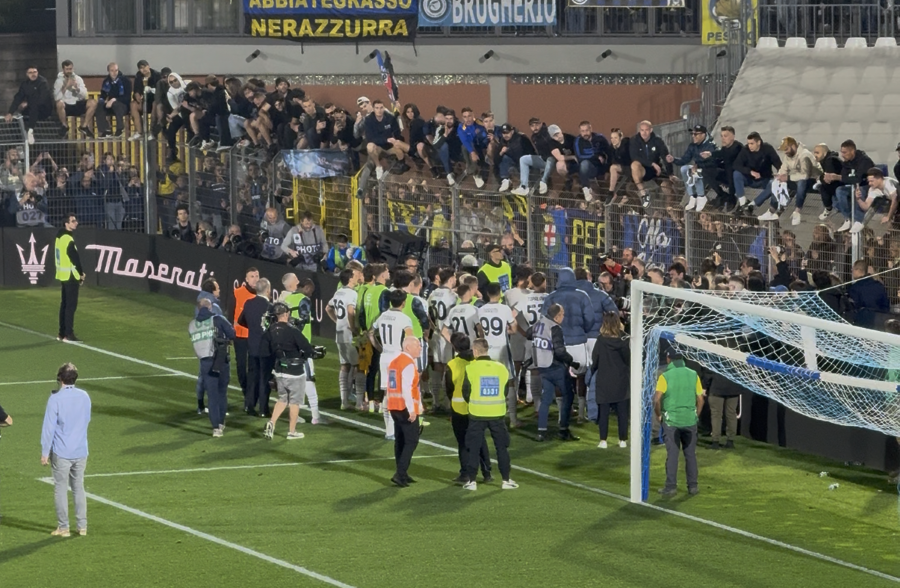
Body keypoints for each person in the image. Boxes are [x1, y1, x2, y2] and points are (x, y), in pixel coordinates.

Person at [41, 363, 92, 537]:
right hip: (81, 450)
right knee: (78, 487)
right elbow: (86, 419)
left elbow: (48, 428)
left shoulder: (55, 399)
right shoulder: (84, 396)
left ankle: (64, 527)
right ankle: (82, 526)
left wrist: (45, 452)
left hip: (62, 451)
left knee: (61, 489)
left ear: (60, 378)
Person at [461, 338, 518, 491]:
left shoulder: (470, 368)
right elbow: (505, 391)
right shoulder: (501, 368)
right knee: (501, 447)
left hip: (477, 413)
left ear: (475, 351)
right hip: (497, 414)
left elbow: (465, 392)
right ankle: (506, 480)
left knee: (473, 448)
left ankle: (472, 481)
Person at [262, 302, 318, 440]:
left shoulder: (270, 330)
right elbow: (307, 348)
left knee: (282, 399)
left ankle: (271, 422)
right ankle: (292, 432)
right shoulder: (292, 330)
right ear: (286, 314)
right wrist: (306, 354)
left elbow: (265, 350)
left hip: (279, 371)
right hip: (295, 372)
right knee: (294, 402)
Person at [654, 348, 705, 496]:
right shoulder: (693, 374)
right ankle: (693, 486)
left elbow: (656, 400)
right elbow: (700, 399)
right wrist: (695, 415)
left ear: (668, 359)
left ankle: (671, 487)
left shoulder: (665, 376)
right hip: (690, 421)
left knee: (673, 455)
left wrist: (659, 415)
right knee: (690, 455)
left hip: (672, 422)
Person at [445, 333, 492, 484]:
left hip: (459, 408)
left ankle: (465, 474)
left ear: (454, 347)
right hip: (478, 407)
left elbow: (449, 389)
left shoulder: (452, 364)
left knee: (463, 442)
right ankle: (487, 473)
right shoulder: (478, 362)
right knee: (480, 440)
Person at [531, 304, 578, 442]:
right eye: (562, 314)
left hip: (542, 366)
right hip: (554, 366)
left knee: (546, 399)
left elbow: (529, 335)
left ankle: (541, 432)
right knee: (568, 395)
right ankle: (563, 430)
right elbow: (559, 351)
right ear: (557, 316)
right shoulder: (555, 328)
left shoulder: (538, 323)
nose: (563, 316)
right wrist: (572, 362)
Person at [372, 289, 414, 440]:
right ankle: (397, 428)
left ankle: (389, 430)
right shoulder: (404, 319)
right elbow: (410, 339)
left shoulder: (383, 316)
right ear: (404, 302)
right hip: (397, 358)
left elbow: (370, 333)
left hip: (385, 357)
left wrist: (379, 347)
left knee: (387, 393)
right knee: (400, 392)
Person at [189, 298, 235, 437]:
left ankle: (216, 428)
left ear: (198, 309)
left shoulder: (192, 324)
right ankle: (221, 422)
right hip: (220, 359)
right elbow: (232, 334)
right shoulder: (218, 319)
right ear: (210, 307)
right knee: (222, 392)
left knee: (212, 395)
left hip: (204, 362)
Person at [386, 337, 426, 487]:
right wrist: (412, 410)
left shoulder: (395, 362)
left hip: (394, 406)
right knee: (411, 441)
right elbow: (406, 389)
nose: (420, 348)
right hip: (404, 408)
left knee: (400, 440)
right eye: (417, 345)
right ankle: (400, 473)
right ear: (408, 347)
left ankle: (402, 473)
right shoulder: (408, 364)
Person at [477, 283, 519, 426]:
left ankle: (490, 414)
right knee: (510, 381)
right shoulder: (505, 309)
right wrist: (506, 331)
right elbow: (514, 328)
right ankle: (513, 419)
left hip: (487, 350)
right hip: (502, 349)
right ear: (500, 293)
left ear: (487, 294)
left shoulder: (480, 310)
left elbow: (480, 332)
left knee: (488, 381)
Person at [591, 313, 629, 449]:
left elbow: (595, 359)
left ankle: (603, 440)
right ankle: (622, 440)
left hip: (604, 380)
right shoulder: (624, 339)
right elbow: (628, 359)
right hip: (621, 379)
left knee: (604, 411)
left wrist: (592, 371)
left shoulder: (601, 340)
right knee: (622, 412)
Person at [326, 267, 362, 410]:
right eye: (355, 275)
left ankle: (344, 401)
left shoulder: (338, 292)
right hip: (348, 333)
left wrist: (337, 321)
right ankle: (359, 402)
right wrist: (353, 328)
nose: (357, 276)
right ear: (350, 278)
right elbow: (350, 311)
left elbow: (328, 308)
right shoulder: (352, 293)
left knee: (344, 365)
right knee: (358, 366)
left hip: (339, 332)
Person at [238, 277, 274, 417]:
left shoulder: (248, 303)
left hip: (252, 345)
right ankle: (263, 409)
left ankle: (249, 405)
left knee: (252, 377)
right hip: (266, 348)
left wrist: (253, 328)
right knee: (264, 378)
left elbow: (241, 320)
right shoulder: (270, 307)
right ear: (268, 290)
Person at [427, 267, 458, 412]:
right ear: (451, 279)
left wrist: (435, 328)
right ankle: (446, 402)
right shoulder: (453, 296)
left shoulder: (433, 294)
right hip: (448, 335)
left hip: (436, 334)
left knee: (436, 368)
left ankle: (435, 402)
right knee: (447, 369)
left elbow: (428, 315)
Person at [55, 213, 85, 342]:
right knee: (70, 306)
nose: (76, 223)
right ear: (66, 224)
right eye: (73, 221)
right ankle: (68, 333)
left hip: (63, 275)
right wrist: (81, 273)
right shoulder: (68, 239)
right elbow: (74, 258)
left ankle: (62, 333)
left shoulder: (59, 236)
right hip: (71, 275)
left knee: (64, 304)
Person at [231, 267, 258, 403]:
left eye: (257, 276)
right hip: (240, 336)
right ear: (246, 279)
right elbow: (230, 313)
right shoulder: (237, 293)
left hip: (255, 337)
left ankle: (251, 395)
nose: (255, 279)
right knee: (241, 366)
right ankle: (246, 390)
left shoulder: (261, 295)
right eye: (252, 276)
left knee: (254, 367)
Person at [6, 66, 54, 142]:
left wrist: (28, 103)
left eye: (35, 72)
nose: (33, 74)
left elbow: (42, 99)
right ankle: (18, 139)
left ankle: (30, 131)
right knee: (19, 115)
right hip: (31, 109)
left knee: (34, 106)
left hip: (44, 109)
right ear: (27, 74)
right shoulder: (25, 84)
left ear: (37, 73)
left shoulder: (42, 82)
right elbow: (18, 97)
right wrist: (10, 112)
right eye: (30, 72)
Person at [53, 60, 97, 137]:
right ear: (63, 70)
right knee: (59, 103)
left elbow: (85, 95)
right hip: (66, 105)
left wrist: (77, 88)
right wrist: (66, 86)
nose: (69, 71)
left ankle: (84, 126)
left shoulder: (78, 79)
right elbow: (56, 97)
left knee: (93, 102)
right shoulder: (59, 81)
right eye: (67, 69)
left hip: (77, 103)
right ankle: (64, 126)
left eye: (70, 69)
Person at [703, 367, 742, 450]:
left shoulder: (716, 359)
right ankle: (730, 441)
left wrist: (704, 386)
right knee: (731, 414)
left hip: (717, 387)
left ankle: (715, 442)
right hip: (733, 388)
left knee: (716, 415)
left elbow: (709, 372)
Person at [96, 62, 133, 138]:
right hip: (111, 104)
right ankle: (105, 130)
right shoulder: (106, 81)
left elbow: (127, 98)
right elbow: (103, 94)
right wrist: (103, 101)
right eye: (112, 70)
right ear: (108, 71)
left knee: (116, 104)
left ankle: (120, 128)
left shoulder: (126, 81)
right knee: (99, 105)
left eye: (116, 70)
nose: (114, 73)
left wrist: (114, 99)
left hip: (123, 105)